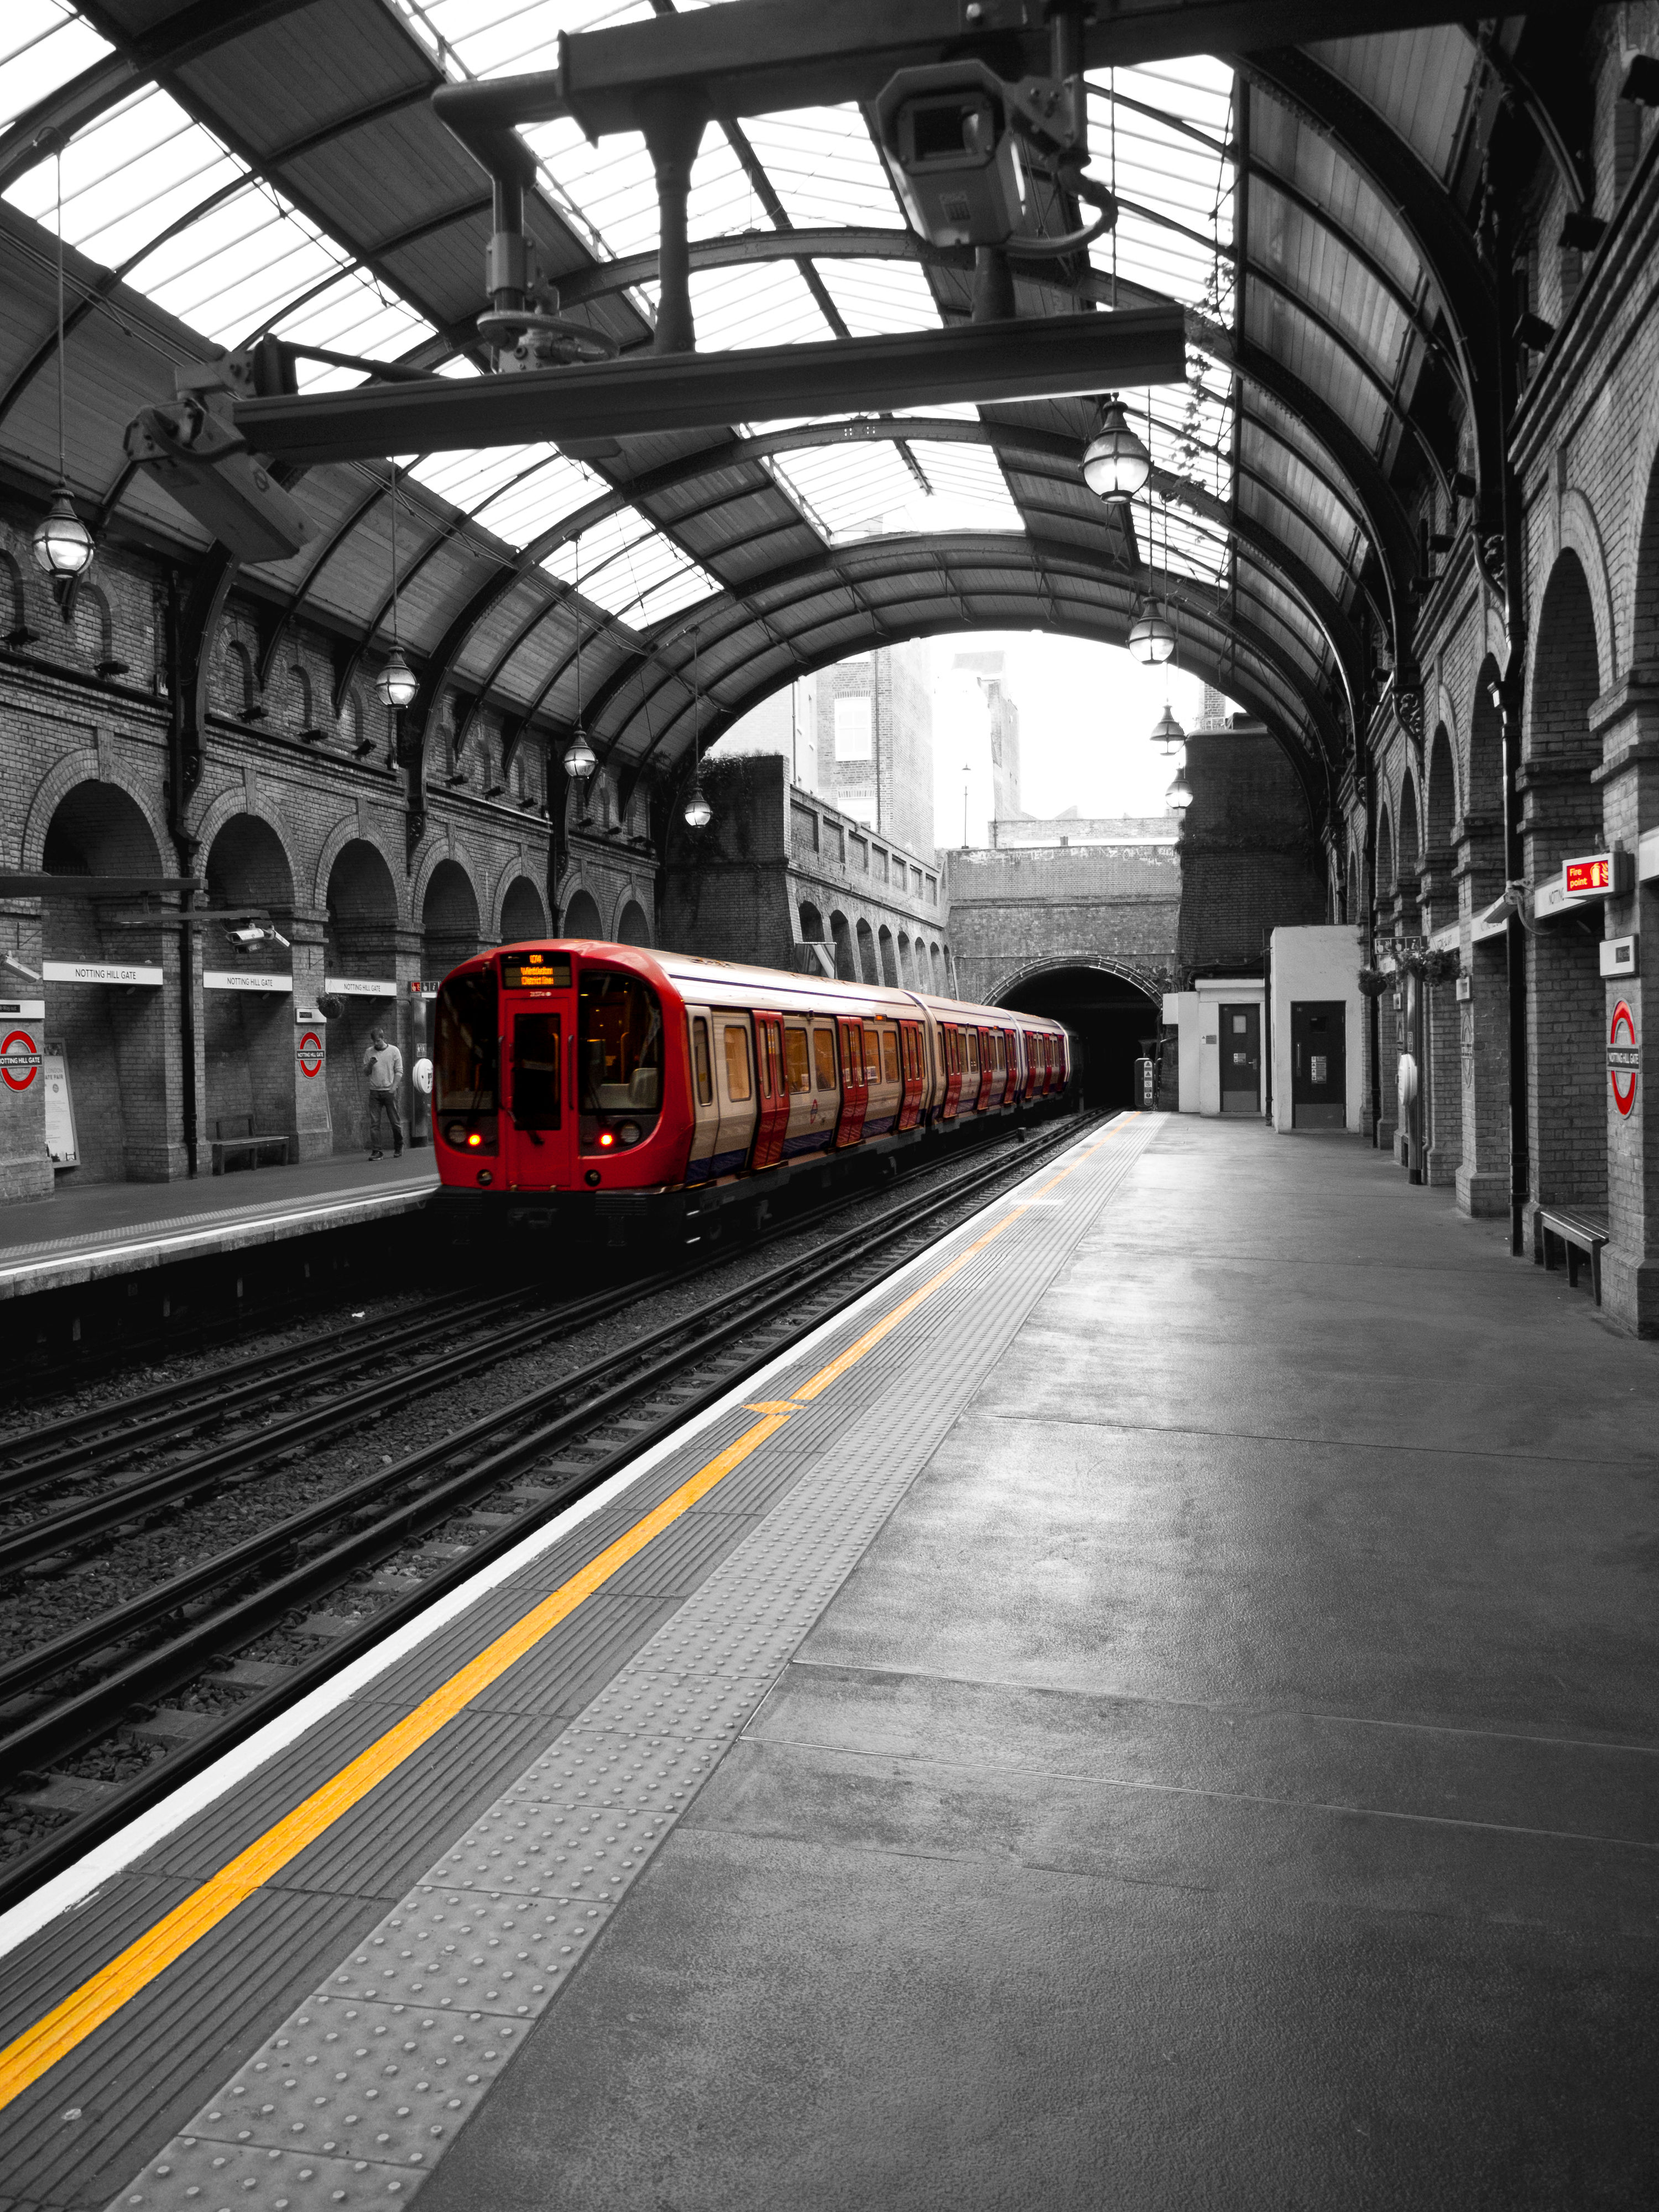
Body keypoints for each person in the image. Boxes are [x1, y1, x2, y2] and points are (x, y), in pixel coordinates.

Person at [363, 1025, 404, 1160]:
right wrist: (370, 1065)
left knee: (395, 1121)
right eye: (374, 1042)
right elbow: (366, 1073)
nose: (376, 1044)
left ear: (383, 1038)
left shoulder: (394, 1051)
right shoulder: (369, 1052)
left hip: (389, 1091)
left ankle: (399, 1146)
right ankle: (377, 1151)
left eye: (378, 1041)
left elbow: (399, 1071)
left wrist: (393, 1088)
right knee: (375, 1123)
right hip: (374, 1092)